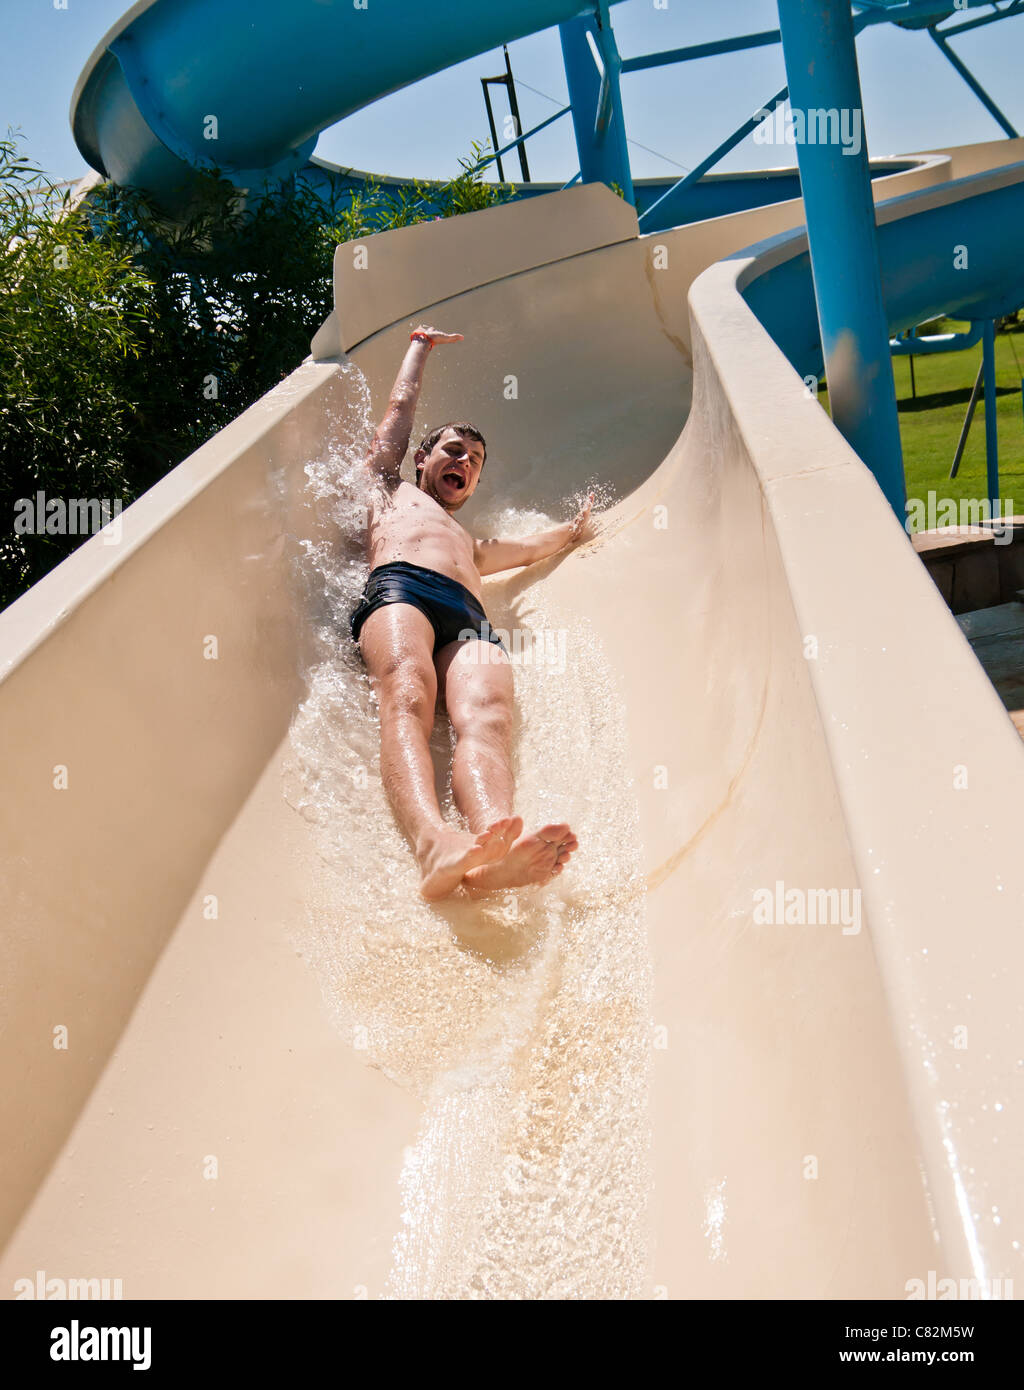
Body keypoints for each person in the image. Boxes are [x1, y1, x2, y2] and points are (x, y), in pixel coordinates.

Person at [351, 325, 593, 900]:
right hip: (399, 587)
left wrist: (575, 529)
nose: (464, 460)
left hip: (466, 611)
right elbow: (400, 409)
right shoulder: (386, 491)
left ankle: (492, 854)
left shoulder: (472, 545)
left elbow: (534, 547)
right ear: (422, 460)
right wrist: (420, 346)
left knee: (488, 718)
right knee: (408, 690)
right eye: (453, 450)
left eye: (475, 460)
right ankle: (433, 842)